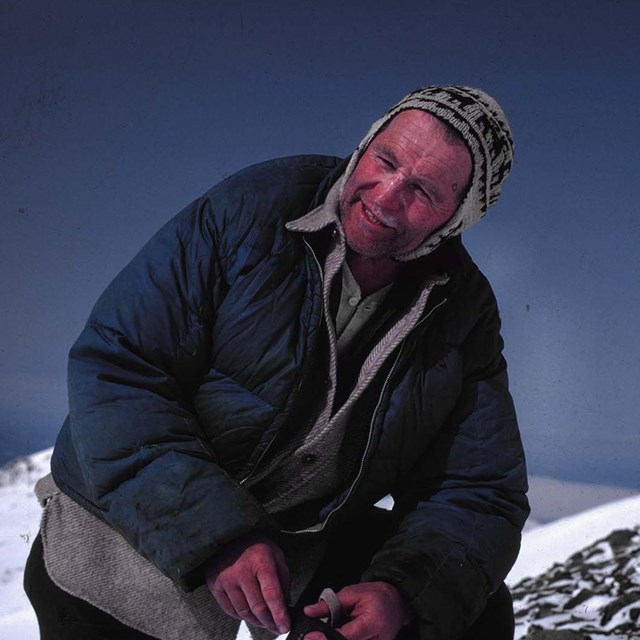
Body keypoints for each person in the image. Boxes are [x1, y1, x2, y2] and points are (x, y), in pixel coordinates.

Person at [24, 86, 529, 640]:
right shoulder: (254, 209)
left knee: (468, 613)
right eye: (385, 161)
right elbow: (117, 368)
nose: (386, 197)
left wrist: (399, 594)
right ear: (364, 146)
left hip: (299, 537)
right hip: (139, 511)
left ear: (458, 216)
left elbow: (478, 487)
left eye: (424, 192)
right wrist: (218, 534)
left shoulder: (463, 309)